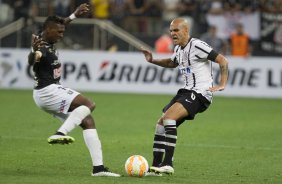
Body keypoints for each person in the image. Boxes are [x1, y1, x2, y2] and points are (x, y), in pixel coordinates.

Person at [27, 3, 120, 177]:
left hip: (47, 92)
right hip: (48, 91)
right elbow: (33, 60)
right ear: (48, 31)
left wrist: (74, 15)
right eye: (59, 32)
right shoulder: (41, 47)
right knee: (89, 104)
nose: (62, 35)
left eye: (63, 32)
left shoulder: (47, 36)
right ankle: (60, 133)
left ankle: (98, 169)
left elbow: (62, 24)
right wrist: (33, 51)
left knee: (87, 120)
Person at [141, 17, 228, 175]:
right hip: (186, 91)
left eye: (176, 30)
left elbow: (222, 60)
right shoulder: (178, 49)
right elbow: (171, 63)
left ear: (186, 31)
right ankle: (156, 167)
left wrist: (222, 84)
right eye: (171, 31)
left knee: (169, 118)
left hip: (200, 93)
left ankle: (168, 163)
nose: (172, 33)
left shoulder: (197, 45)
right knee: (160, 124)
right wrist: (152, 60)